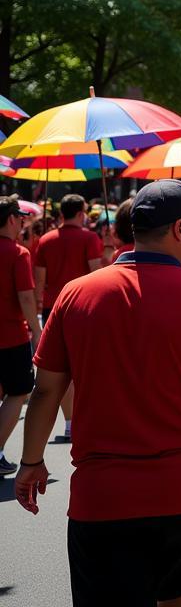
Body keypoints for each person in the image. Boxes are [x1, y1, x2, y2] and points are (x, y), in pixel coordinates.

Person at [16, 180, 181, 605]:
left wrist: (31, 460)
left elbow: (45, 392)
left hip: (104, 496)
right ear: (178, 230)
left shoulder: (77, 293)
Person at [32, 194, 103, 443]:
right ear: (81, 213)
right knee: (86, 366)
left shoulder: (45, 240)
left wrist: (39, 307)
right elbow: (96, 273)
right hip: (84, 308)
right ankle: (82, 421)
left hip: (53, 306)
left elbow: (39, 279)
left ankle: (71, 423)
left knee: (58, 369)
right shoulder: (89, 238)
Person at [0, 197, 41, 476]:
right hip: (10, 334)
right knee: (18, 391)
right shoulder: (18, 253)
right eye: (21, 218)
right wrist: (37, 332)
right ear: (12, 219)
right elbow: (26, 296)